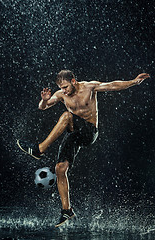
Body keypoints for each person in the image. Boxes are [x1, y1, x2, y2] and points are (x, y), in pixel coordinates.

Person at [17, 70, 150, 227]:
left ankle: (39, 149)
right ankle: (67, 210)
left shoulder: (89, 87)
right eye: (61, 88)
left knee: (66, 116)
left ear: (73, 81)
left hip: (89, 132)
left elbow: (112, 85)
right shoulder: (61, 94)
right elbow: (42, 107)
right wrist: (44, 101)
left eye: (66, 87)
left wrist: (133, 82)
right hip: (74, 133)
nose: (64, 91)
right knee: (60, 168)